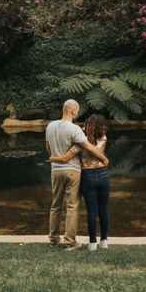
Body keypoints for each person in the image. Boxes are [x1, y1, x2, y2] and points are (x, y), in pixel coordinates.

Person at [45, 100, 108, 250]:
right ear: (73, 110)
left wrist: (54, 158)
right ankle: (70, 241)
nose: (77, 113)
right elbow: (88, 147)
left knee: (55, 205)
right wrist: (104, 158)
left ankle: (53, 239)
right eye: (77, 110)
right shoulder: (74, 129)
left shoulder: (50, 126)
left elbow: (47, 146)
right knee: (72, 205)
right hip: (72, 170)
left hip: (55, 170)